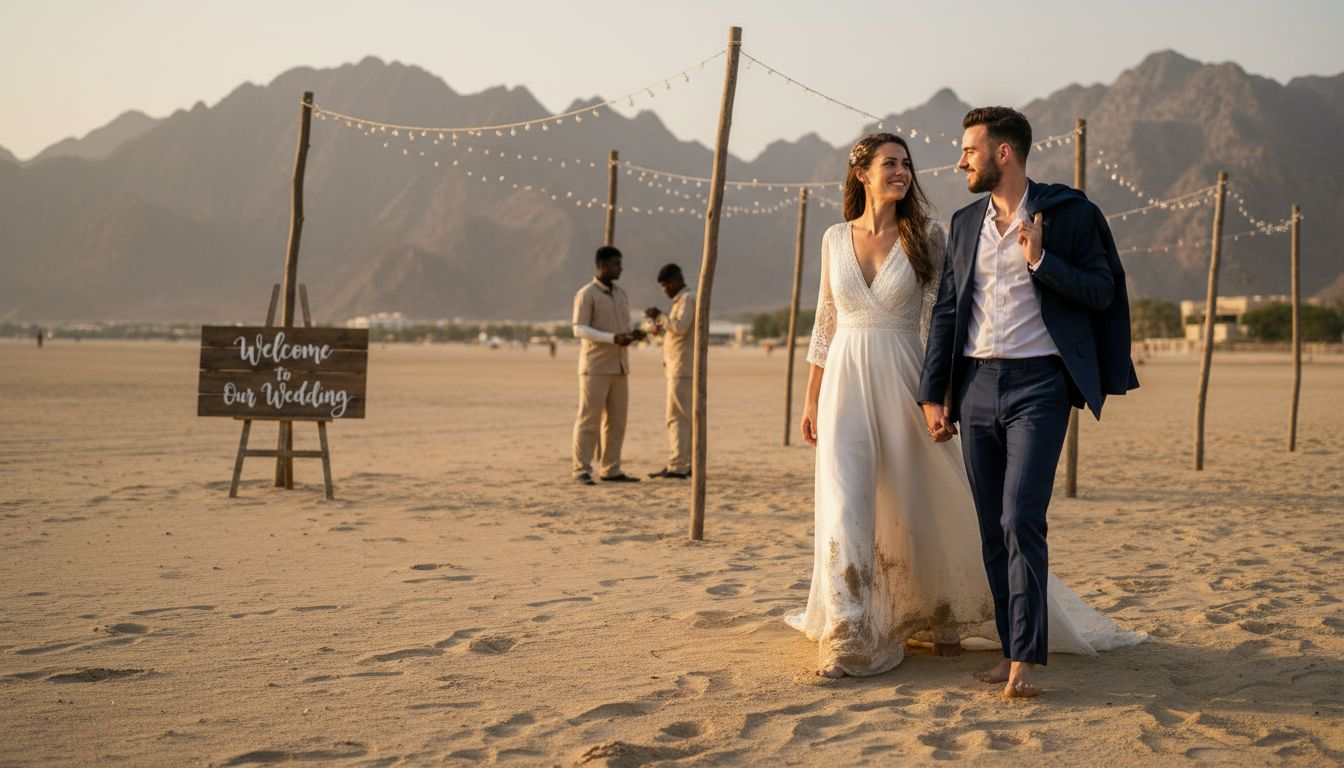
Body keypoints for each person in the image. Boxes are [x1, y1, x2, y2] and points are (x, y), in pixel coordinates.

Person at [787, 131, 1143, 686]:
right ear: (861, 173)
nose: (903, 172)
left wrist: (937, 393)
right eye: (890, 163)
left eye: (906, 163)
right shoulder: (835, 238)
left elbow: (940, 320)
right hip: (843, 387)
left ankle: (940, 613)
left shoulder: (928, 233)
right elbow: (824, 322)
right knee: (843, 502)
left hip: (907, 378)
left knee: (924, 497)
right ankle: (848, 636)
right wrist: (811, 397)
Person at [918, 107, 1141, 697]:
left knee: (1021, 518)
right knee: (992, 526)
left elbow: (1103, 290)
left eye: (969, 149)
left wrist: (1041, 260)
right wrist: (934, 394)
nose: (960, 160)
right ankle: (1010, 647)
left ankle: (1027, 660)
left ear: (1003, 153)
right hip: (974, 389)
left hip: (1039, 387)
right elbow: (946, 313)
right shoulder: (965, 224)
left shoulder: (1070, 214)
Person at [571, 245, 644, 485]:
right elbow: (578, 328)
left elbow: (621, 328)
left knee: (617, 420)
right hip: (596, 365)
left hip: (620, 366)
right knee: (589, 418)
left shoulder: (621, 294)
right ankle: (581, 468)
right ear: (601, 265)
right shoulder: (587, 294)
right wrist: (612, 338)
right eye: (615, 264)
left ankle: (611, 468)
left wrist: (632, 335)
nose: (620, 268)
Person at [645, 263, 695, 479]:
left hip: (682, 368)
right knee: (681, 416)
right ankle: (684, 461)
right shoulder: (681, 300)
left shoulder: (688, 299)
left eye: (665, 286)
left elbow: (680, 327)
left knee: (677, 417)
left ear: (674, 282)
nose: (664, 291)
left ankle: (679, 464)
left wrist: (660, 316)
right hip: (676, 366)